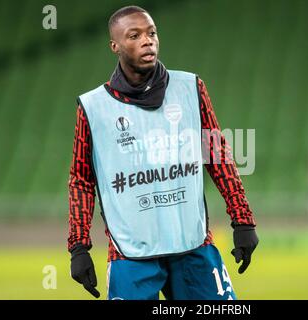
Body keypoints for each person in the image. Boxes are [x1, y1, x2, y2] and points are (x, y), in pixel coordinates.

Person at [67, 5, 258, 300]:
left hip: (193, 246)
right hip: (130, 254)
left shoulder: (190, 88)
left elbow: (217, 155)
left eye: (152, 33)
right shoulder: (93, 107)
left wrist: (242, 219)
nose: (148, 40)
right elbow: (81, 180)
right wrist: (78, 247)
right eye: (135, 35)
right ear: (115, 45)